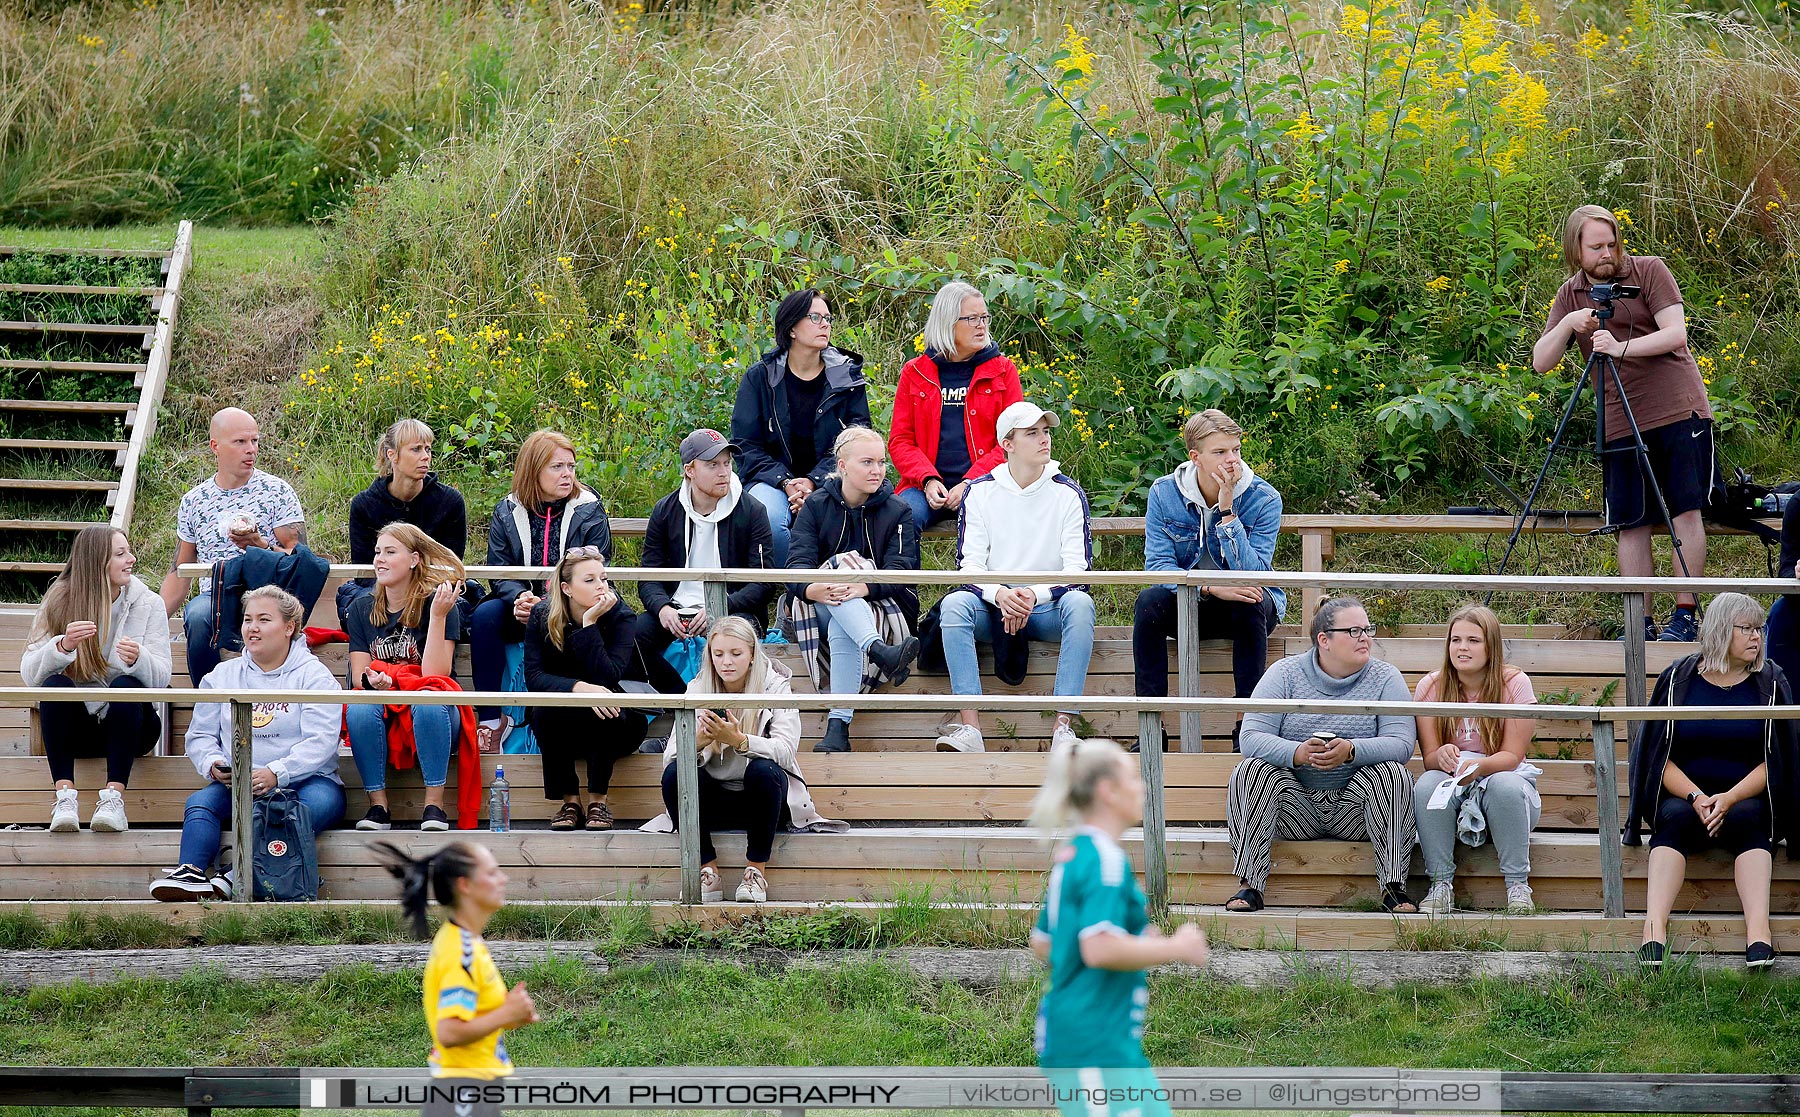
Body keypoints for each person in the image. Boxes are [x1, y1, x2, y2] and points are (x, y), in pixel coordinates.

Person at [1532, 204, 1717, 643]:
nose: (1606, 253)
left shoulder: (1649, 271)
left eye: (1611, 243)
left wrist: (1619, 347)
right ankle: (1641, 623)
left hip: (1677, 407)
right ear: (1575, 250)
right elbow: (1541, 361)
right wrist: (1569, 325)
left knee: (1685, 510)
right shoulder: (1569, 294)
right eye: (1596, 246)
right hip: (1619, 419)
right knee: (1630, 521)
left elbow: (1676, 334)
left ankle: (1684, 616)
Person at [1028, 737, 1209, 1117]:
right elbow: (1099, 948)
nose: (1142, 787)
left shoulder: (1074, 855)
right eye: (1133, 778)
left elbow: (1044, 943)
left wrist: (1133, 941)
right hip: (1093, 1039)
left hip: (1102, 1037)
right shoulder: (1105, 860)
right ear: (1108, 791)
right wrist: (1176, 948)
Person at [1626, 593, 1799, 969]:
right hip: (1687, 794)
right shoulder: (1678, 680)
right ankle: (1652, 931)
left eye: (1759, 629)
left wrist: (1729, 798)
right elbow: (1658, 754)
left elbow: (1778, 758)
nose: (1756, 637)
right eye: (1747, 629)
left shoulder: (1770, 681)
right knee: (1674, 819)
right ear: (1722, 630)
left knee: (1750, 820)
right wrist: (1697, 796)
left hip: (1748, 795)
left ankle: (1759, 935)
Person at [1225, 597, 1419, 913]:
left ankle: (1394, 887)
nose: (1365, 637)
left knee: (1394, 774)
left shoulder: (1386, 677)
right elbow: (1250, 737)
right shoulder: (1284, 674)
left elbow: (1401, 744)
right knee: (1250, 770)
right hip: (1294, 807)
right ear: (1324, 640)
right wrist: (1297, 753)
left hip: (1355, 809)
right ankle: (1249, 886)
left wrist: (1352, 750)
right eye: (1354, 630)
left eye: (1367, 629)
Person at [150, 586, 343, 900]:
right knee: (199, 803)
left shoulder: (315, 677)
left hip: (307, 783)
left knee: (301, 810)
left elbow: (320, 743)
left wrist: (276, 773)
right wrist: (213, 764)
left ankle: (235, 873)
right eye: (248, 619)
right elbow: (199, 736)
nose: (252, 628)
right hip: (240, 784)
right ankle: (191, 872)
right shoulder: (222, 675)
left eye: (264, 619)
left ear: (289, 627)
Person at [642, 616, 847, 903]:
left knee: (763, 770)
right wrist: (698, 743)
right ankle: (707, 872)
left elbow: (786, 751)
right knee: (677, 772)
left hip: (766, 801)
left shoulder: (776, 687)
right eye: (719, 654)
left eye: (736, 654)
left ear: (752, 654)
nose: (726, 662)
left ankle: (756, 872)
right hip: (715, 801)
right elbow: (670, 757)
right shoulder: (698, 688)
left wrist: (740, 742)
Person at [934, 402, 1095, 756]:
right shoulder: (980, 492)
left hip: (1048, 609)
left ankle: (1063, 729)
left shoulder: (1067, 492)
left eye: (1046, 431)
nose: (1044, 440)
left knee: (1080, 604)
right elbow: (969, 565)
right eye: (1032, 433)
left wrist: (1030, 596)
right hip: (992, 608)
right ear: (1007, 444)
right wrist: (1000, 595)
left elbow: (1078, 571)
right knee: (955, 603)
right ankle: (970, 729)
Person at [1133, 408, 1284, 747]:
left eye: (1236, 450)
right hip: (1193, 600)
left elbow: (1256, 574)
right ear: (1195, 458)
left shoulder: (1263, 497)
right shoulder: (1163, 493)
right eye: (1220, 452)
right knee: (1148, 602)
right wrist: (1208, 586)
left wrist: (1228, 512)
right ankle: (1151, 729)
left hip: (1248, 605)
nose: (1232, 461)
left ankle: (1246, 728)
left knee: (1250, 600)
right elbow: (1158, 567)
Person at [470, 429, 612, 751]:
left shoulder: (588, 508)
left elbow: (594, 570)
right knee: (485, 616)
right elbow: (500, 569)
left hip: (573, 605)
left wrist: (551, 605)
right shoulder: (507, 510)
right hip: (521, 605)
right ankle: (492, 719)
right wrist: (519, 597)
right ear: (534, 470)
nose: (567, 474)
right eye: (557, 467)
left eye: (571, 466)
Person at [24, 526, 171, 834]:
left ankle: (114, 799)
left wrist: (139, 659)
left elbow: (163, 677)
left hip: (133, 727)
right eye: (120, 554)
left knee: (126, 686)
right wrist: (61, 648)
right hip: (78, 729)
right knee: (54, 686)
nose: (131, 559)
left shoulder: (149, 603)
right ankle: (64, 798)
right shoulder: (58, 600)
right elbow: (29, 674)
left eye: (128, 551)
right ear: (97, 562)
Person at [785, 426, 922, 753]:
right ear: (843, 466)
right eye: (867, 462)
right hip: (823, 602)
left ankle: (838, 728)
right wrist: (813, 589)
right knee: (836, 568)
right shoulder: (817, 506)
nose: (877, 471)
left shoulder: (898, 509)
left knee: (841, 621)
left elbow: (903, 570)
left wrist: (863, 586)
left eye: (881, 462)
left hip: (883, 609)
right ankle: (879, 653)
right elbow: (795, 566)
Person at [374, 840, 537, 1111]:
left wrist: (511, 1014)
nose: (503, 879)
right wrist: (505, 1015)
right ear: (465, 885)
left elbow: (471, 1016)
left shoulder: (467, 942)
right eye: (492, 873)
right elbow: (449, 1032)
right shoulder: (459, 952)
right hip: (463, 1094)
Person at [159, 406, 306, 685]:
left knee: (267, 617)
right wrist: (152, 618)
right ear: (215, 446)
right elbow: (180, 568)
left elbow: (299, 558)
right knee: (199, 614)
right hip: (215, 595)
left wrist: (259, 545)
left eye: (255, 441)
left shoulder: (277, 491)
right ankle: (209, 701)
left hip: (269, 591)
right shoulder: (194, 501)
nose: (251, 449)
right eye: (240, 442)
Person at [1411, 603, 1541, 916]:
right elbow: (1429, 758)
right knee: (1428, 783)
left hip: (1504, 789)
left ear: (1490, 646)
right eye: (1456, 640)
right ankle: (1440, 886)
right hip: (1454, 791)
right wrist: (1441, 755)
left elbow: (1512, 756)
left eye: (1473, 640)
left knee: (1505, 786)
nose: (1462, 648)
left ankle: (1518, 886)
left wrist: (1480, 766)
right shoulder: (1431, 686)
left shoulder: (1514, 684)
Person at [729, 288, 871, 565]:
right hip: (770, 480)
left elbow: (858, 442)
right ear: (792, 327)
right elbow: (745, 445)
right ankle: (792, 590)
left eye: (828, 318)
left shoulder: (846, 376)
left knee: (851, 510)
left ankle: (834, 587)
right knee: (769, 517)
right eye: (815, 317)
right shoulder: (761, 378)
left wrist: (813, 481)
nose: (825, 324)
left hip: (834, 476)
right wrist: (785, 482)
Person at [345, 524, 467, 833]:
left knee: (427, 702)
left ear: (414, 559)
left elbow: (435, 677)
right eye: (377, 552)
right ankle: (378, 806)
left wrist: (438, 617)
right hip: (384, 707)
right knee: (359, 706)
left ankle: (434, 805)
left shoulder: (437, 605)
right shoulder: (360, 608)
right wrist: (377, 682)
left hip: (433, 709)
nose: (379, 560)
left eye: (389, 552)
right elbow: (360, 676)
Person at [636, 428, 776, 693]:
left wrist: (718, 608)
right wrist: (663, 609)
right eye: (713, 465)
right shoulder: (666, 511)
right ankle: (679, 700)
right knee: (631, 636)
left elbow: (763, 583)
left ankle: (721, 710)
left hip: (733, 609)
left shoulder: (753, 511)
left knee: (735, 637)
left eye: (727, 463)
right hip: (678, 608)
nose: (724, 472)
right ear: (690, 470)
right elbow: (649, 576)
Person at [524, 548, 650, 832]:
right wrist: (579, 688)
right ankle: (571, 801)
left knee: (605, 707)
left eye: (603, 578)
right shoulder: (542, 615)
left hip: (618, 720)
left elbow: (609, 676)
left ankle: (598, 801)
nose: (601, 586)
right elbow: (534, 677)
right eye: (590, 580)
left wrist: (590, 623)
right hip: (563, 719)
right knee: (543, 710)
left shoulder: (621, 616)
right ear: (566, 588)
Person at [888, 281, 1024, 535]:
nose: (981, 325)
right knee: (900, 517)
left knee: (994, 523)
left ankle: (977, 577)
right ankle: (901, 577)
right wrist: (928, 479)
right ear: (947, 322)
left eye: (984, 317)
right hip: (924, 487)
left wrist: (972, 481)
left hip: (987, 484)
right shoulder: (914, 372)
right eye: (972, 318)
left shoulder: (1003, 371)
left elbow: (1012, 441)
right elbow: (900, 440)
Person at [338, 418, 468, 628]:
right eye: (416, 449)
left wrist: (414, 597)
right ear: (393, 455)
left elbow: (449, 565)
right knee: (357, 607)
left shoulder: (450, 501)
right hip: (380, 590)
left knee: (457, 606)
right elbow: (363, 570)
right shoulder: (364, 504)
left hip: (431, 589)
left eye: (428, 449)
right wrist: (395, 599)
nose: (425, 456)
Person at [1763, 494, 1800, 689]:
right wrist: (1795, 573)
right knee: (1781, 613)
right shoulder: (1798, 504)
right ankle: (1782, 702)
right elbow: (1785, 570)